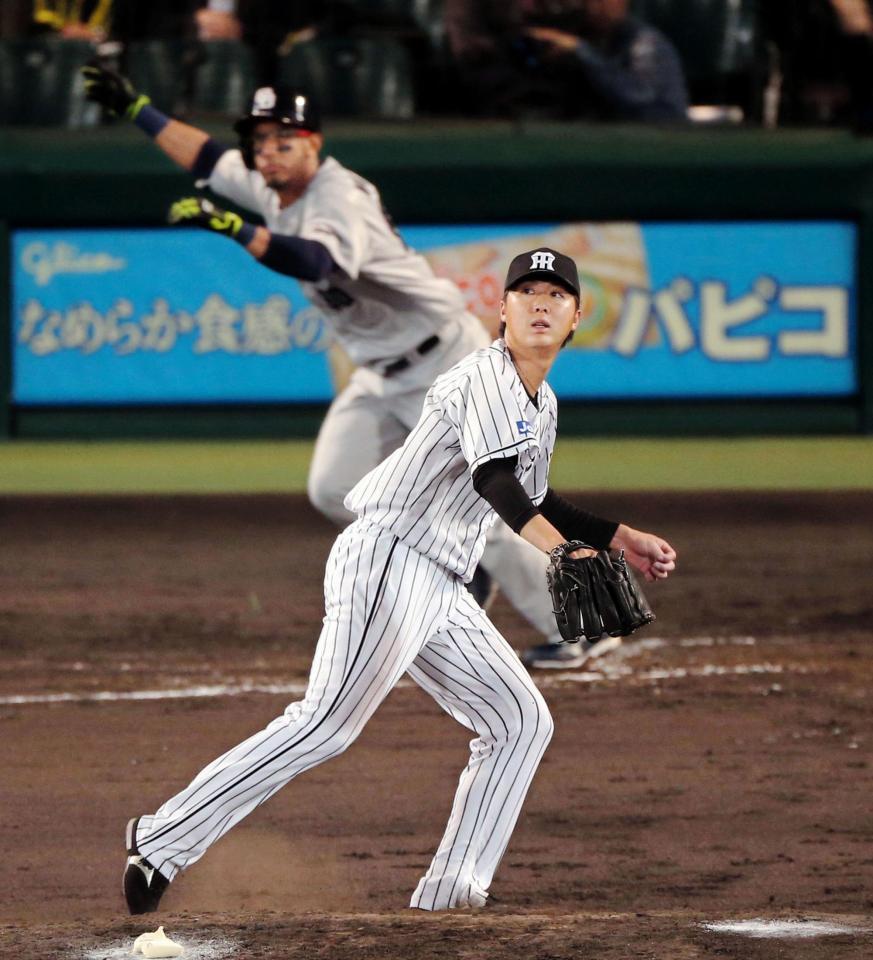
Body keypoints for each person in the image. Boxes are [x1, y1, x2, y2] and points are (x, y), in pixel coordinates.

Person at [121, 246, 677, 914]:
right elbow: (493, 481)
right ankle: (162, 838)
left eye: (555, 295)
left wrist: (619, 536)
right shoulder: (485, 377)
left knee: (519, 720)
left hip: (439, 582)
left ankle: (452, 895)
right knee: (325, 723)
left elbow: (535, 493)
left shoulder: (540, 400)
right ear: (498, 311)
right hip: (392, 556)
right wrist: (559, 552)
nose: (539, 303)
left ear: (576, 317)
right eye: (525, 292)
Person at [80, 66, 593, 667]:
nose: (268, 153)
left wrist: (234, 228)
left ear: (314, 144)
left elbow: (314, 259)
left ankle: (579, 623)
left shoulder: (337, 196)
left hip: (443, 363)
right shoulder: (272, 185)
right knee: (334, 487)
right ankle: (465, 566)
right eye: (261, 141)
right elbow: (208, 160)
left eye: (284, 140)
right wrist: (138, 107)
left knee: (487, 501)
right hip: (379, 373)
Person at [525, 0, 689, 121]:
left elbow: (637, 95)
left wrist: (581, 51)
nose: (597, 7)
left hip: (660, 135)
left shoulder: (646, 42)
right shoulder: (590, 35)